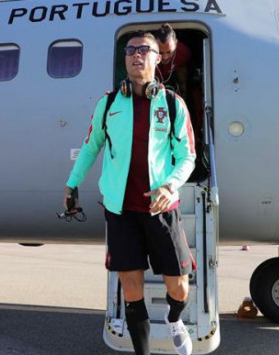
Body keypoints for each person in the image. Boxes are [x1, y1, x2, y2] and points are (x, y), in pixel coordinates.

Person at [62, 31, 196, 355]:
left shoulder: (173, 106)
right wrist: (71, 183)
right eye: (131, 50)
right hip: (121, 211)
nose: (136, 55)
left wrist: (169, 185)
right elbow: (91, 146)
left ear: (158, 57)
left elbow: (187, 156)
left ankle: (175, 319)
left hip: (160, 209)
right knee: (131, 288)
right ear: (125, 59)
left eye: (144, 50)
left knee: (178, 286)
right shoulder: (108, 104)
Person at [155, 23, 191, 97]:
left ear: (176, 43)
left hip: (174, 75)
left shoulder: (183, 51)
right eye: (160, 52)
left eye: (169, 52)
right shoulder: (148, 54)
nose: (165, 57)